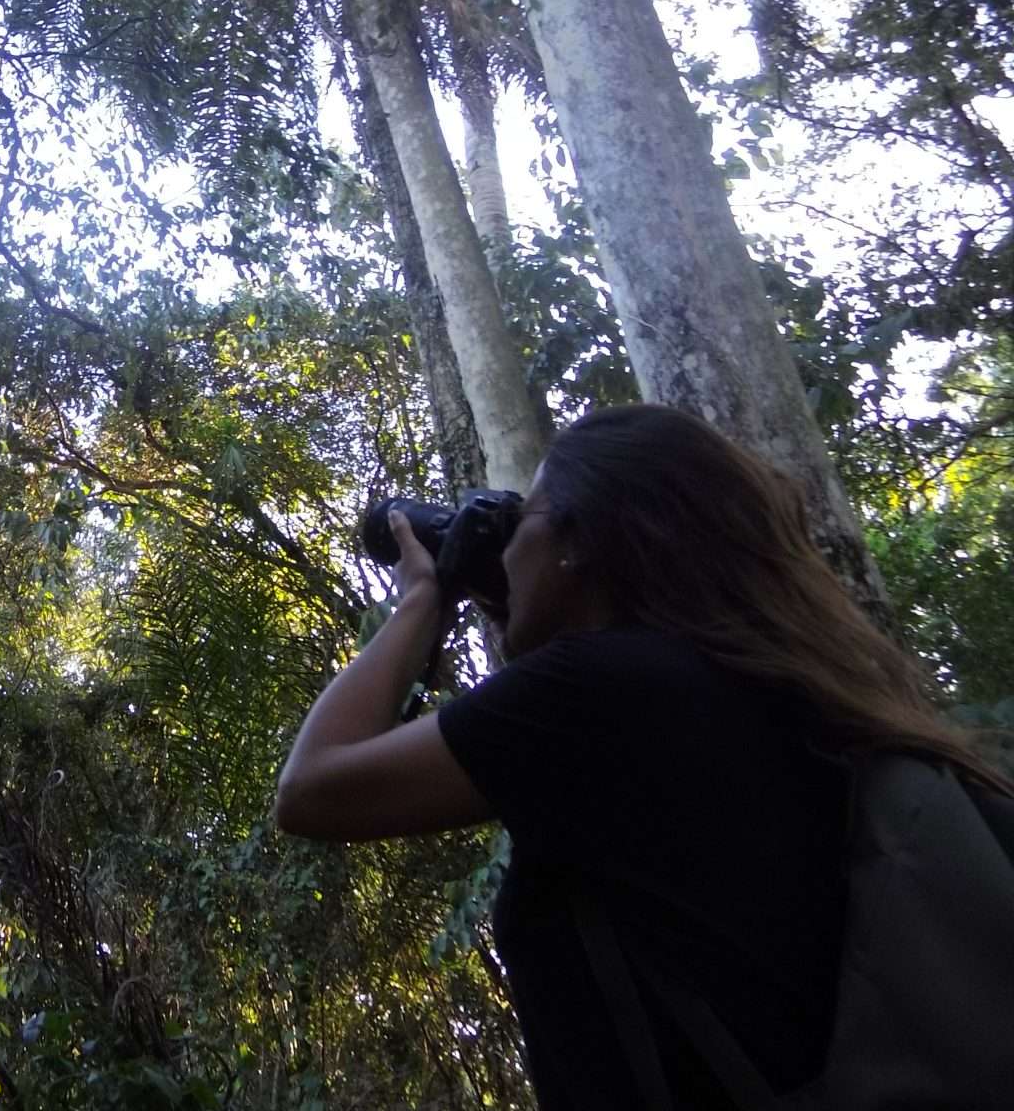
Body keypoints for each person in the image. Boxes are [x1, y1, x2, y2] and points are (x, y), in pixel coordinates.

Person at [274, 403, 1010, 1110]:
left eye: (524, 519)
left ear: (579, 540)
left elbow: (314, 789)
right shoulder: (763, 686)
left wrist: (422, 602)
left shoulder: (600, 692)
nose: (508, 548)